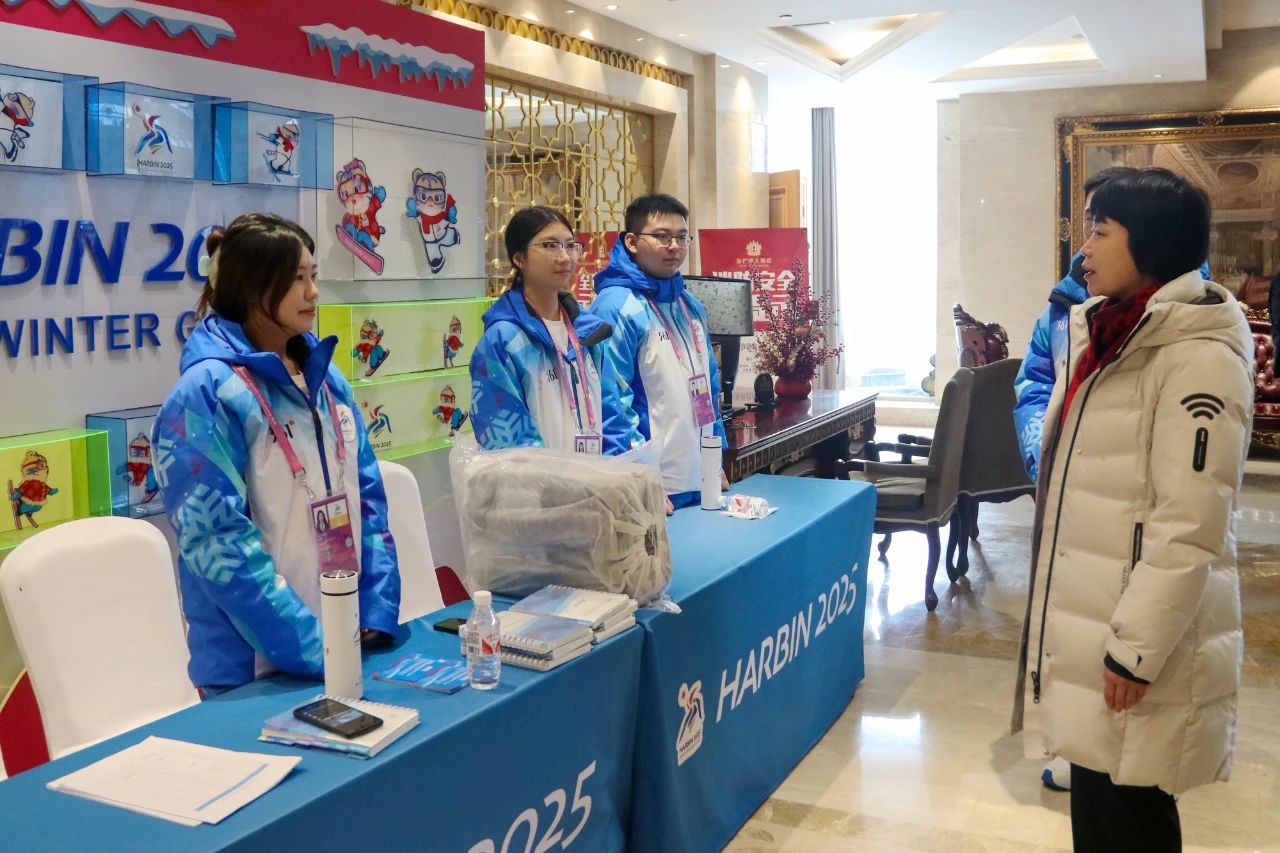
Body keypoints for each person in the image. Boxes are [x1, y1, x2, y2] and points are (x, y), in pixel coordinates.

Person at [1012, 168, 1252, 851]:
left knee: (1129, 815)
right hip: (1098, 619)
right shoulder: (1111, 332)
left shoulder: (1196, 356)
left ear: (1150, 243)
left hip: (1139, 639)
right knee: (1102, 804)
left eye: (1100, 230)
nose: (1083, 248)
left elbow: (1190, 523)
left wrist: (1135, 651)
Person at [153, 212, 400, 694]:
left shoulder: (327, 376)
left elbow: (368, 496)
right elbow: (216, 541)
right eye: (297, 279)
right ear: (252, 287)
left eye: (314, 276)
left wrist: (373, 610)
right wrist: (313, 646)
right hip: (256, 671)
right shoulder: (207, 393)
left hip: (347, 642)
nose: (314, 293)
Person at [590, 194, 728, 512]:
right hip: (654, 491)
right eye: (662, 237)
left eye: (682, 237)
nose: (674, 246)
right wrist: (638, 480)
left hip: (699, 481)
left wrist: (714, 459)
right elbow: (609, 402)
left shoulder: (690, 306)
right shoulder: (616, 307)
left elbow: (710, 392)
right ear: (632, 241)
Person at [469, 206, 619, 453]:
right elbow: (506, 442)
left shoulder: (588, 331)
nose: (565, 257)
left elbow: (613, 414)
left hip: (597, 476)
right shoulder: (503, 340)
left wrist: (615, 470)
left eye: (570, 246)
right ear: (519, 258)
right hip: (539, 478)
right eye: (550, 246)